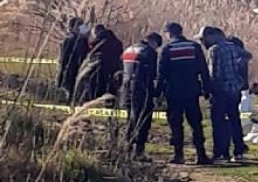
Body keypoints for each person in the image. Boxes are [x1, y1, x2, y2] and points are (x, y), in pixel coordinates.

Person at [156, 22, 212, 165]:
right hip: (192, 89)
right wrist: (207, 89)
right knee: (195, 122)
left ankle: (178, 154)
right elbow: (204, 70)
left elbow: (161, 73)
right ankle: (201, 154)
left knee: (176, 123)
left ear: (169, 34)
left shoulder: (167, 49)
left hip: (173, 91)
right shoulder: (194, 47)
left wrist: (157, 93)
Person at [197, 27, 252, 162]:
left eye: (203, 39)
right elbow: (248, 55)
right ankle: (239, 152)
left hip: (220, 91)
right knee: (235, 120)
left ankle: (220, 154)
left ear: (211, 36)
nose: (203, 42)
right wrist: (239, 78)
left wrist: (207, 90)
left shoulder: (214, 50)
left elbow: (213, 73)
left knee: (218, 123)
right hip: (234, 90)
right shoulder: (232, 46)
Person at [120, 32, 163, 162]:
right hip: (141, 89)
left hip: (126, 89)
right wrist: (156, 91)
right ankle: (139, 151)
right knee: (143, 120)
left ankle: (126, 148)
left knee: (130, 119)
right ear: (154, 41)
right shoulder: (149, 52)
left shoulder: (129, 49)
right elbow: (153, 74)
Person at [81, 24, 124, 101]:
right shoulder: (117, 42)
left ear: (97, 32)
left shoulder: (97, 43)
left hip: (99, 73)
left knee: (97, 93)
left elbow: (91, 55)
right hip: (114, 73)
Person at [56, 17, 89, 101]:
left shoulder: (82, 40)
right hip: (72, 65)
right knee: (70, 84)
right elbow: (64, 56)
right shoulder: (70, 39)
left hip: (79, 65)